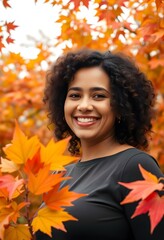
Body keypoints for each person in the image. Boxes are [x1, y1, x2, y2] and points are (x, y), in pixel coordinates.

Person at [36, 49, 164, 240]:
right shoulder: (59, 174)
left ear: (120, 106)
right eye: (75, 95)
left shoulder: (135, 166)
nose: (84, 105)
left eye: (98, 96)